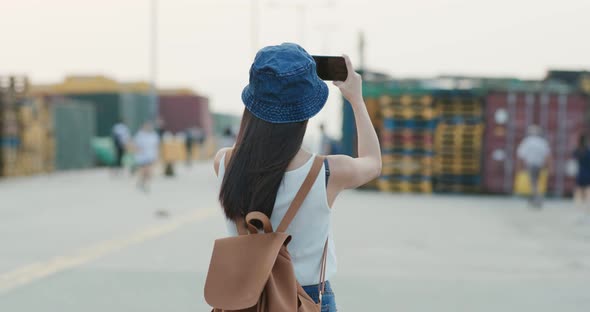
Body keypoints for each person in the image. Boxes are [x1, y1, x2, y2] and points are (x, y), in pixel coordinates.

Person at [213, 43, 381, 311]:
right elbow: (373, 162)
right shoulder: (328, 172)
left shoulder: (223, 161)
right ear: (307, 110)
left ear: (251, 104)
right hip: (307, 299)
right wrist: (356, 101)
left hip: (243, 300)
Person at [517, 125, 552, 208]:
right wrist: (549, 167)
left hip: (531, 165)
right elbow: (548, 156)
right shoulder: (542, 142)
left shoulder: (527, 141)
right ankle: (534, 198)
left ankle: (537, 199)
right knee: (536, 182)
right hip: (539, 165)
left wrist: (519, 167)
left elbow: (520, 155)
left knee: (533, 183)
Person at [133, 121, 160, 192]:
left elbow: (156, 146)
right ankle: (142, 182)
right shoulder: (140, 135)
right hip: (142, 156)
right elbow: (136, 146)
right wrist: (138, 151)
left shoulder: (154, 135)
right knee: (143, 171)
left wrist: (157, 156)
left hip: (151, 156)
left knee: (149, 171)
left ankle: (146, 184)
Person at [573, 134, 590, 222]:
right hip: (588, 174)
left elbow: (573, 160)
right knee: (588, 194)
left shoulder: (577, 151)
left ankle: (578, 211)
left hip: (580, 174)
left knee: (579, 194)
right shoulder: (588, 151)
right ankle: (587, 212)